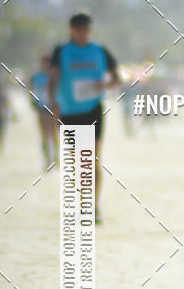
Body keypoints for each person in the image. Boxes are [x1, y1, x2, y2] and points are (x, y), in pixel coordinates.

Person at [48, 13, 122, 222]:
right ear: (71, 30)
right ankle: (82, 201)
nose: (82, 33)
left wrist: (103, 85)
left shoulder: (100, 51)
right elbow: (53, 79)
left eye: (85, 30)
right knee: (77, 161)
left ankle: (93, 206)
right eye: (78, 30)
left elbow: (117, 79)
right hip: (69, 111)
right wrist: (53, 103)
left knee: (91, 159)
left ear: (90, 30)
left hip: (93, 109)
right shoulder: (61, 51)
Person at [29, 54, 58, 169]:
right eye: (43, 63)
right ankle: (47, 160)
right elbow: (31, 91)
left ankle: (56, 156)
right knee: (44, 135)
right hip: (41, 108)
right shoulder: (35, 77)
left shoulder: (53, 76)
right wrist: (33, 104)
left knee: (54, 134)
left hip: (53, 108)